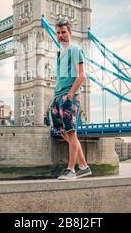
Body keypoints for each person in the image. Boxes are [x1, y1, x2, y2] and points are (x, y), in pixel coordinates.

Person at [50, 19, 92, 180]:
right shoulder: (60, 53)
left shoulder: (75, 49)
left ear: (70, 33)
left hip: (69, 96)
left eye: (64, 32)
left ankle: (71, 170)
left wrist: (70, 95)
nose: (60, 35)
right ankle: (84, 166)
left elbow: (81, 75)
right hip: (57, 96)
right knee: (62, 132)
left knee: (71, 132)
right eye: (58, 33)